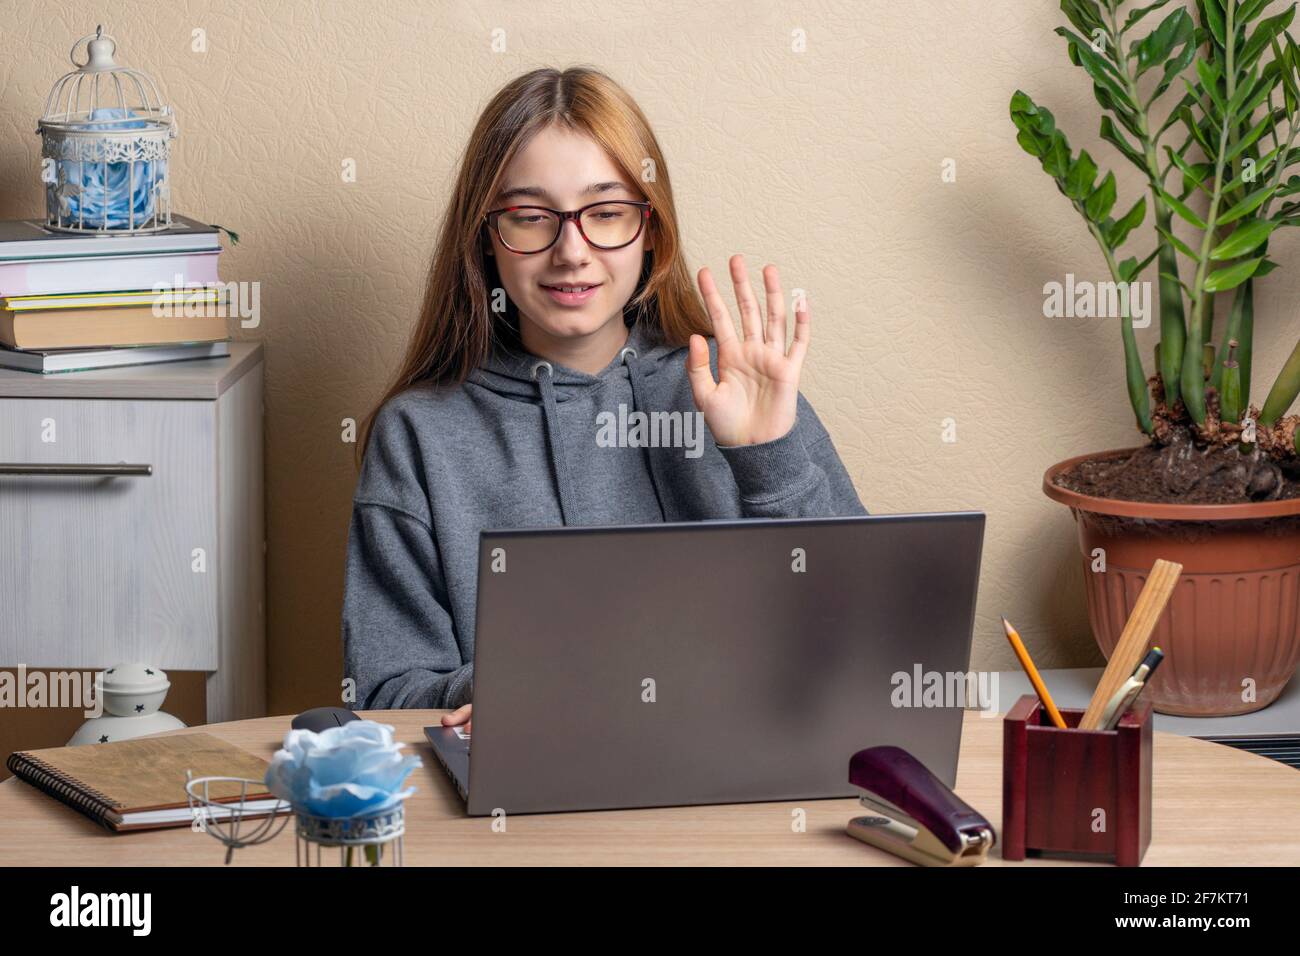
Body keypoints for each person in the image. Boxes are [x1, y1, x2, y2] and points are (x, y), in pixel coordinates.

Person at [342, 66, 866, 731]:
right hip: (525, 816)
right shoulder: (417, 433)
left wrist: (769, 458)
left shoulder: (737, 386)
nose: (572, 251)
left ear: (651, 229)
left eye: (607, 213)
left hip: (746, 793)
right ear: (485, 236)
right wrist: (534, 684)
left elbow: (862, 643)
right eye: (531, 218)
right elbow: (383, 695)